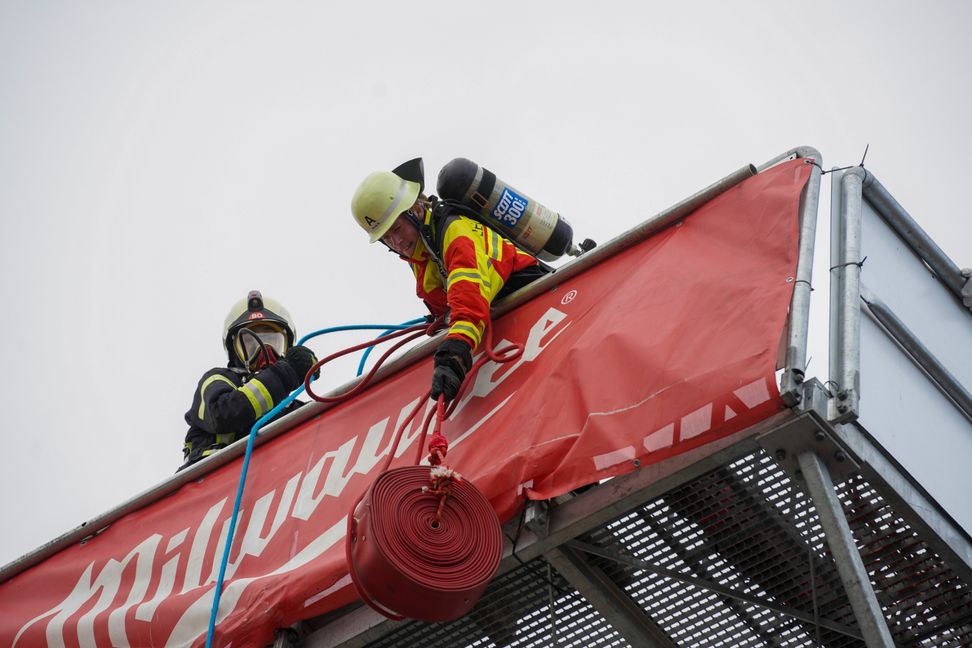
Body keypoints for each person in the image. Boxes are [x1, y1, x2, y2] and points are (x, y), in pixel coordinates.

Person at [351, 158, 547, 404]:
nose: (397, 242)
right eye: (387, 238)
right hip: (509, 321)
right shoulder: (422, 254)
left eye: (398, 229)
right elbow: (446, 308)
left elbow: (469, 299)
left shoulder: (454, 232)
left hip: (535, 300)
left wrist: (455, 351)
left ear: (415, 211)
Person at [179, 290, 318, 470]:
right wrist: (285, 374)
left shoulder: (295, 410)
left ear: (286, 347)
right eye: (250, 343)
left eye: (272, 341)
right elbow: (226, 413)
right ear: (235, 349)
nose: (264, 350)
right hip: (214, 486)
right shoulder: (216, 380)